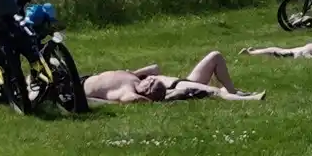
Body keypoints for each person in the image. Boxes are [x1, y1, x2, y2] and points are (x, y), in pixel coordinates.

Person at [84, 52, 266, 103]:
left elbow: (155, 67)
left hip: (184, 80)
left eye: (150, 81)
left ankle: (234, 91)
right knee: (216, 92)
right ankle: (251, 98)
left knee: (215, 56)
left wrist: (135, 73)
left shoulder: (134, 80)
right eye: (150, 83)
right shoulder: (129, 90)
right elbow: (133, 99)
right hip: (181, 86)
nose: (150, 79)